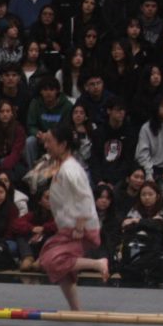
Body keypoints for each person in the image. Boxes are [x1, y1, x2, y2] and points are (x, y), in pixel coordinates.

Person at [38, 123, 110, 311]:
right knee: (58, 265)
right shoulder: (62, 166)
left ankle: (98, 263)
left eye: (50, 142)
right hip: (70, 225)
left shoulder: (70, 168)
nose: (46, 146)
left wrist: (80, 225)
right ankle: (76, 310)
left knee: (51, 259)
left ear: (62, 145)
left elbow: (84, 197)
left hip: (81, 228)